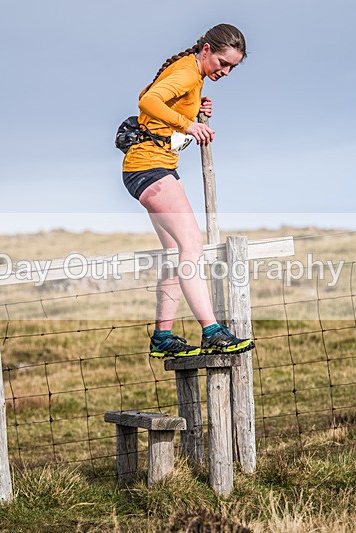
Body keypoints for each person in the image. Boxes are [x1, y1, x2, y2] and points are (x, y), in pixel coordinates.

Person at [121, 23, 256, 359]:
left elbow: (161, 111)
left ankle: (162, 337)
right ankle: (211, 331)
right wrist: (189, 124)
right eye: (222, 63)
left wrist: (194, 110)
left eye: (232, 68)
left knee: (174, 250)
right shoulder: (186, 72)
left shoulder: (192, 77)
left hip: (151, 165)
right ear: (206, 49)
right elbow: (148, 100)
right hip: (149, 166)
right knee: (192, 244)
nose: (225, 71)